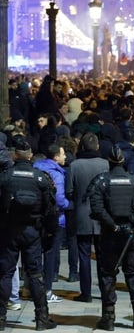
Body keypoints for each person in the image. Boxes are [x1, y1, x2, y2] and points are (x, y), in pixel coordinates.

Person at [89, 147, 134, 331]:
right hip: (130, 235)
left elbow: (96, 208)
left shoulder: (102, 181)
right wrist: (131, 222)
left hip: (110, 235)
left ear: (109, 161)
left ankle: (108, 318)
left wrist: (113, 225)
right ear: (123, 162)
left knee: (108, 274)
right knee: (132, 274)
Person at [0, 138, 57, 330]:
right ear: (30, 155)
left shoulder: (5, 176)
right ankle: (42, 318)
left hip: (9, 231)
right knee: (35, 275)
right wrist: (50, 234)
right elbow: (51, 210)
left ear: (15, 155)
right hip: (32, 231)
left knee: (5, 273)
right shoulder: (41, 178)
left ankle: (0, 317)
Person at [66, 132, 110, 303]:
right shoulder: (105, 164)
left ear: (81, 146)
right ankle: (105, 291)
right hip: (101, 216)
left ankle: (86, 293)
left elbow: (69, 191)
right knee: (102, 256)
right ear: (97, 146)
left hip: (82, 214)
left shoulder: (75, 166)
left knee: (84, 255)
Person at [33, 143, 70, 303]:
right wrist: (70, 205)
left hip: (35, 218)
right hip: (54, 220)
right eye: (63, 154)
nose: (65, 157)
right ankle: (47, 291)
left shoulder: (36, 168)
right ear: (56, 157)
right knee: (50, 255)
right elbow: (60, 201)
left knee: (34, 254)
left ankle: (33, 288)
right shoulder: (57, 174)